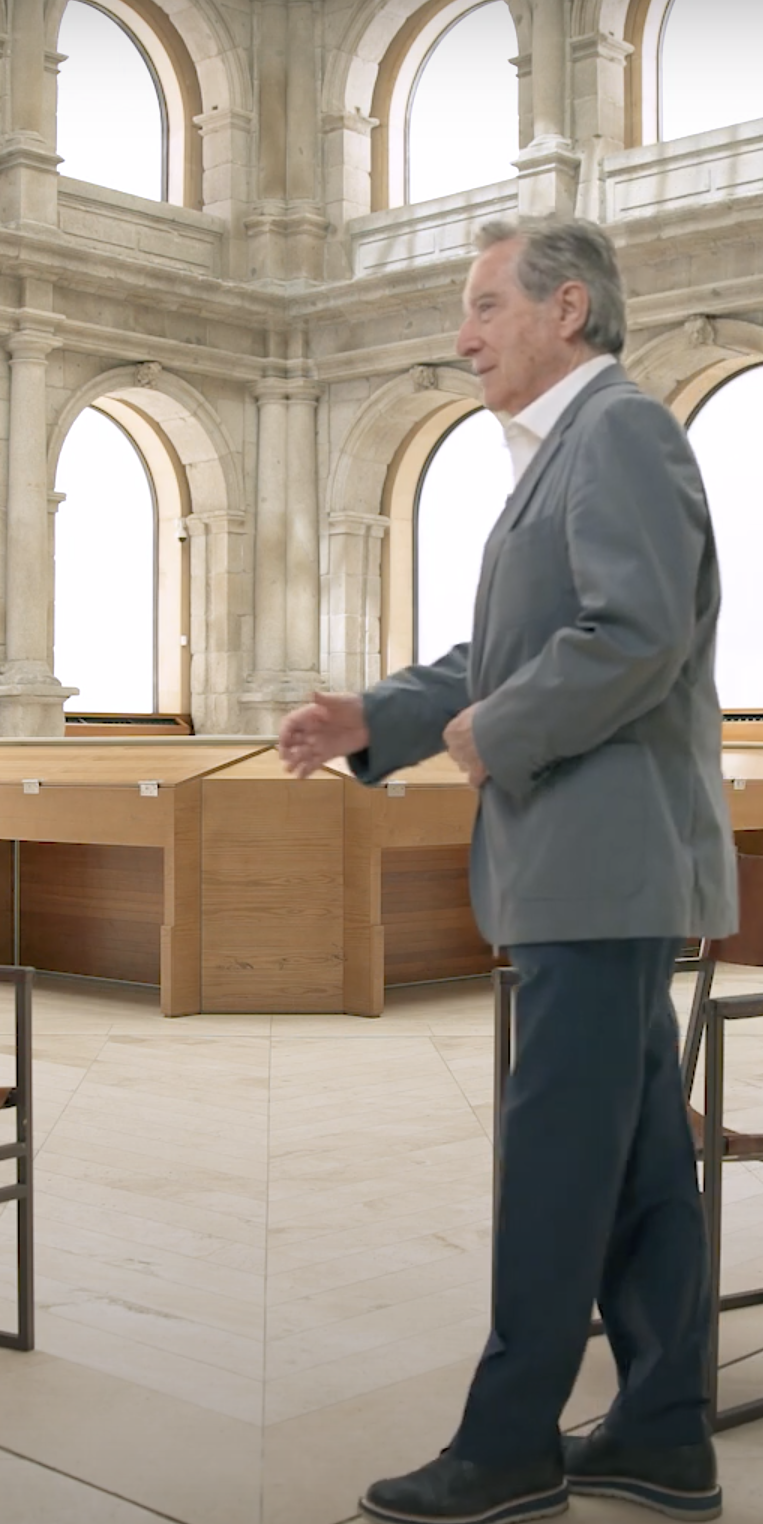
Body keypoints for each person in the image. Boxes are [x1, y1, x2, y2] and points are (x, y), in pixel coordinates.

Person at [280, 219, 735, 1524]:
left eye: (484, 308)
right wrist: (375, 715)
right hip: (590, 871)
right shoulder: (564, 453)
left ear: (568, 309)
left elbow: (633, 636)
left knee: (553, 1162)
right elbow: (502, 654)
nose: (463, 335)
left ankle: (509, 1445)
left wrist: (493, 733)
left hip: (603, 866)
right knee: (637, 1161)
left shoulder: (622, 434)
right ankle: (660, 1430)